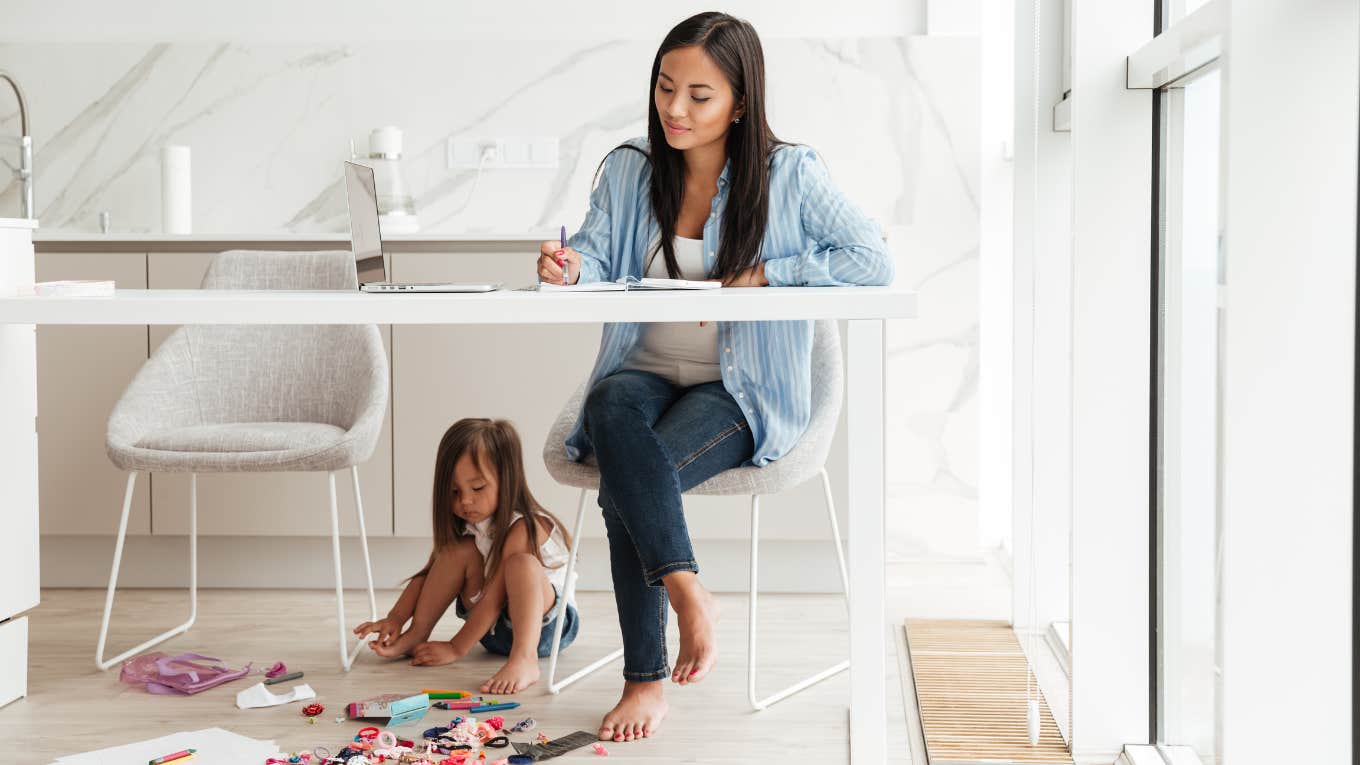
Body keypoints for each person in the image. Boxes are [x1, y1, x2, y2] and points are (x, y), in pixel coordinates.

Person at [535, 11, 893, 743]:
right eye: (666, 88)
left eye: (699, 95)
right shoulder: (632, 168)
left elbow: (873, 259)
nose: (675, 109)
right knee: (609, 403)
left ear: (740, 100)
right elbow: (597, 259)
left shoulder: (791, 173)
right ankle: (689, 591)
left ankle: (645, 677)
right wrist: (569, 268)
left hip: (740, 390)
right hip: (643, 369)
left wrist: (771, 273)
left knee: (628, 479)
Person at [354, 418, 578, 695]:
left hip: (545, 632)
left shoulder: (526, 526)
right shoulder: (474, 529)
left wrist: (456, 647)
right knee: (452, 552)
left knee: (521, 564)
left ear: (506, 479)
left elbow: (495, 595)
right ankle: (416, 635)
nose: (465, 501)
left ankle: (524, 659)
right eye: (454, 492)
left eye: (478, 488)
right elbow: (429, 576)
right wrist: (397, 618)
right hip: (492, 632)